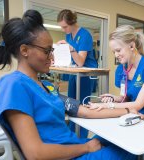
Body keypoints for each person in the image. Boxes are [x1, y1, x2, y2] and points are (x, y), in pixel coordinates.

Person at [0, 10, 142, 160]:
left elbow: (84, 111)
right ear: (24, 50)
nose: (52, 56)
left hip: (72, 146)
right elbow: (35, 154)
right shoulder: (14, 84)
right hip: (64, 153)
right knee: (130, 149)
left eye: (53, 50)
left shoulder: (45, 86)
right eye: (47, 51)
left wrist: (128, 111)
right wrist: (86, 147)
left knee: (116, 138)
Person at [88, 25, 144, 160]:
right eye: (113, 52)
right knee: (96, 142)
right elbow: (126, 97)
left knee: (136, 153)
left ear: (132, 46)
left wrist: (107, 106)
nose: (116, 55)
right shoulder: (121, 69)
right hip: (132, 116)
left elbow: (138, 104)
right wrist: (114, 98)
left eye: (118, 50)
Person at [57, 9, 98, 138]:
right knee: (71, 104)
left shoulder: (85, 35)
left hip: (86, 73)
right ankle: (72, 134)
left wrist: (71, 48)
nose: (63, 30)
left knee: (82, 105)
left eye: (65, 26)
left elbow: (80, 61)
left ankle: (82, 136)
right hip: (75, 73)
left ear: (72, 22)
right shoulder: (68, 35)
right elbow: (72, 59)